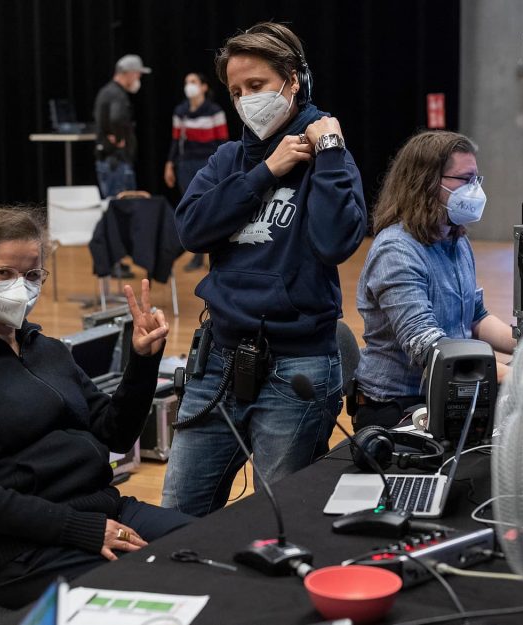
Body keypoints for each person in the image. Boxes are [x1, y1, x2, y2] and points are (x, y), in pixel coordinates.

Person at [0, 208, 192, 609]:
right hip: (19, 551)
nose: (19, 287)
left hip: (102, 510)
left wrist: (142, 362)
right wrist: (82, 529)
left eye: (32, 275)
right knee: (162, 590)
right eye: (3, 273)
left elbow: (115, 433)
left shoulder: (49, 351)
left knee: (214, 545)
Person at [163, 22, 367, 517]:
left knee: (277, 521)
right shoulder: (228, 160)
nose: (245, 100)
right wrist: (266, 172)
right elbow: (191, 230)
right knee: (177, 514)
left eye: (256, 85)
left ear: (293, 80)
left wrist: (330, 151)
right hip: (217, 361)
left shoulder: (329, 156)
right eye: (236, 92)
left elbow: (335, 242)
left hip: (297, 369)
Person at [352, 130, 516, 431]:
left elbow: (475, 317)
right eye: (465, 180)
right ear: (427, 182)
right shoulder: (396, 250)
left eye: (476, 180)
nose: (475, 190)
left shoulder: (455, 240)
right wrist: (517, 376)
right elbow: (429, 347)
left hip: (446, 391)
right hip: (396, 406)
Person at [162, 72, 229, 272]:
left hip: (207, 164)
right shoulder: (180, 111)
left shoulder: (214, 111)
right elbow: (176, 141)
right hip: (185, 165)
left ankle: (215, 251)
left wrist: (223, 167)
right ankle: (197, 254)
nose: (188, 86)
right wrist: (169, 164)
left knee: (209, 207)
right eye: (186, 82)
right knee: (191, 208)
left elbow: (223, 142)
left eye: (193, 82)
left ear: (203, 87)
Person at [93, 54, 151, 198]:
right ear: (129, 73)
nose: (139, 78)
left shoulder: (107, 91)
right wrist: (119, 139)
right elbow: (116, 118)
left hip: (109, 162)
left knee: (114, 205)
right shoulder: (117, 94)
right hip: (116, 162)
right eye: (138, 74)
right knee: (121, 206)